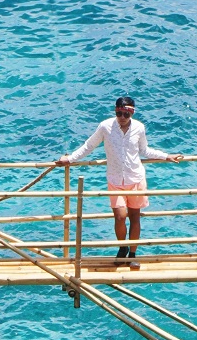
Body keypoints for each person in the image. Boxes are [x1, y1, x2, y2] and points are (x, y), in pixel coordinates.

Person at [57, 96, 182, 268]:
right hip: (115, 179)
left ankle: (132, 254)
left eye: (126, 114)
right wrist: (70, 159)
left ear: (131, 113)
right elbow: (89, 146)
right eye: (119, 113)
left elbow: (144, 150)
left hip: (135, 178)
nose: (122, 117)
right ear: (115, 111)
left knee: (135, 217)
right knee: (120, 216)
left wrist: (166, 156)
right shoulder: (105, 127)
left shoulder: (139, 128)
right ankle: (122, 246)